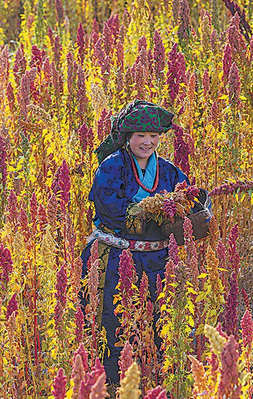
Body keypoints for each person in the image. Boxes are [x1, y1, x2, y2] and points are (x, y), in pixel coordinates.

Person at [79, 100, 190, 385]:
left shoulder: (168, 171)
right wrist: (152, 212)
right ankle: (114, 384)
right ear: (128, 137)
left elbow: (189, 195)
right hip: (116, 259)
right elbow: (110, 210)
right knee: (114, 322)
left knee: (159, 323)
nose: (147, 142)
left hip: (158, 262)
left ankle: (156, 383)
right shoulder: (112, 167)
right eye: (141, 135)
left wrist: (191, 206)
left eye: (153, 135)